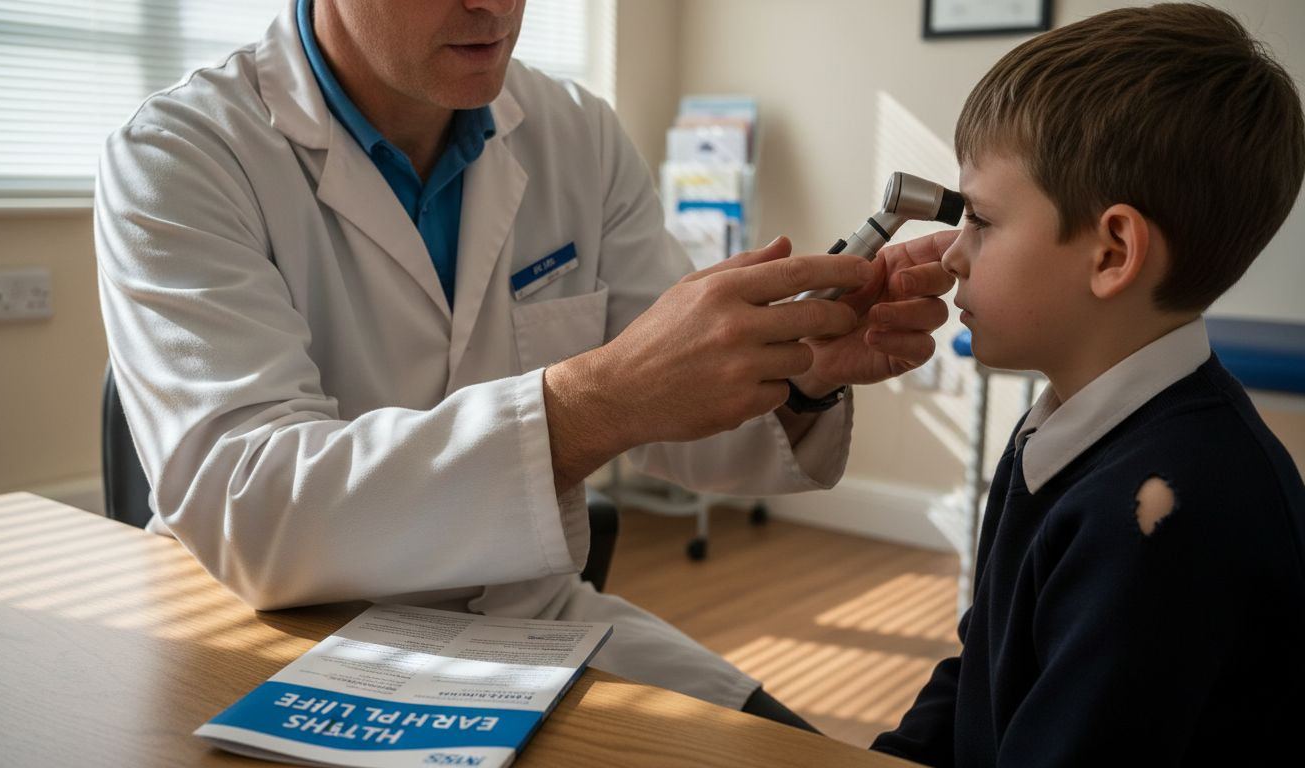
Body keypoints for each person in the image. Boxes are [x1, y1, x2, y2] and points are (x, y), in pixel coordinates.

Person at [94, 0, 955, 729]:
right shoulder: (182, 155)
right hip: (289, 637)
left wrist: (800, 372)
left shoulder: (576, 134)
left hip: (529, 622)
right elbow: (255, 508)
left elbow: (678, 427)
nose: (495, 3)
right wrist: (597, 400)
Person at [870, 4, 1305, 765]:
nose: (951, 257)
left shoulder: (1166, 515)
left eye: (981, 220)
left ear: (1112, 253)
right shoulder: (1068, 429)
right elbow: (988, 664)